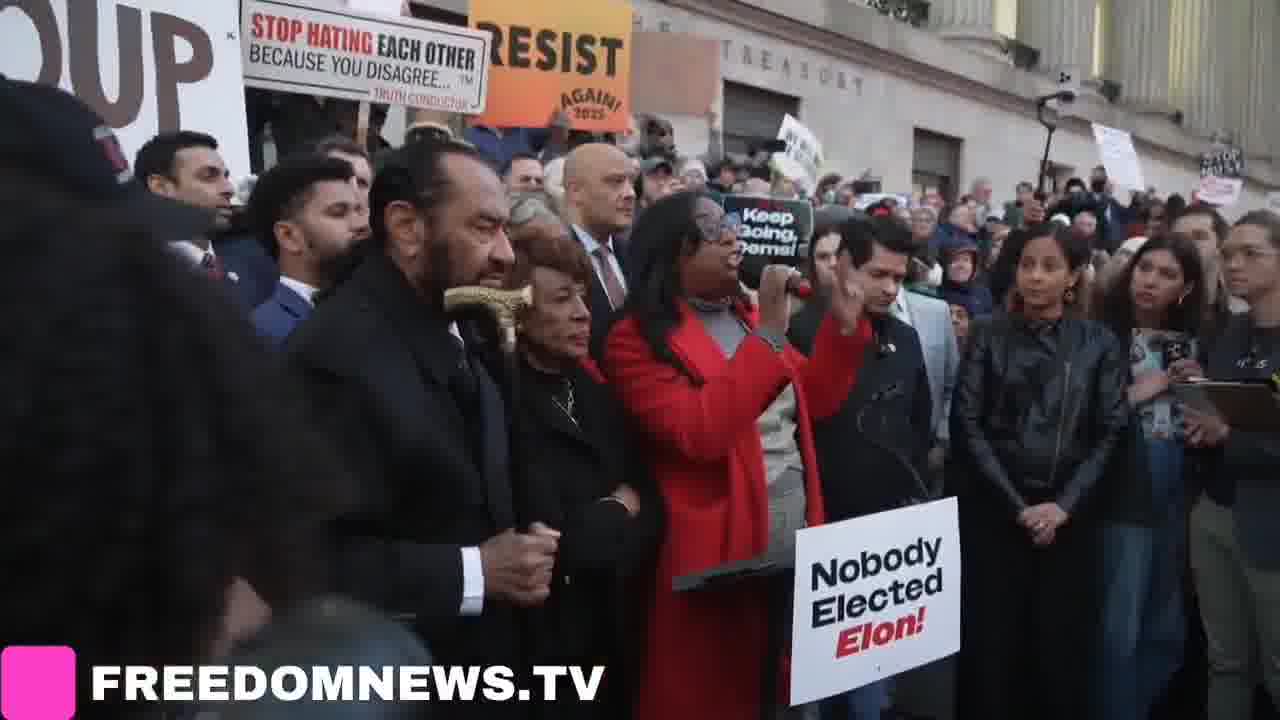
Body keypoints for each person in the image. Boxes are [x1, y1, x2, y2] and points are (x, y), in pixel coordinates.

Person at [286, 138, 557, 720]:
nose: (506, 254)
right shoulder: (334, 357)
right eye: (484, 227)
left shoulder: (461, 328)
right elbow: (305, 559)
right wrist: (476, 571)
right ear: (406, 227)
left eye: (505, 228)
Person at [603, 191, 872, 720]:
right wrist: (772, 333)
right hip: (717, 559)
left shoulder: (745, 316)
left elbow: (812, 401)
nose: (731, 236)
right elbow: (698, 432)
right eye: (710, 229)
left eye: (730, 223)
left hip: (792, 543)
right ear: (672, 252)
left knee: (779, 696)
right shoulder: (633, 340)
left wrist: (842, 330)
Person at [950, 222, 1129, 720]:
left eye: (1050, 267)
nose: (1036, 277)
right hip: (996, 515)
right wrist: (1019, 507)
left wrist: (1064, 507)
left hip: (1068, 522)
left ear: (1073, 276)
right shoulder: (988, 334)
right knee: (991, 650)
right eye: (1028, 264)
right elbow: (967, 423)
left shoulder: (1098, 343)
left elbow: (1110, 430)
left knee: (1056, 652)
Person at [505, 212, 664, 719]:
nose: (582, 313)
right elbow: (557, 541)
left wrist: (608, 519)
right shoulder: (502, 401)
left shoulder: (595, 391)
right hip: (543, 656)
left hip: (613, 633)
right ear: (518, 312)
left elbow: (651, 501)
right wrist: (618, 509)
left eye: (582, 296)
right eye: (560, 300)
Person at [793, 217, 934, 720]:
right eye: (878, 275)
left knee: (871, 690)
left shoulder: (906, 339)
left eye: (899, 278)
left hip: (882, 544)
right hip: (817, 534)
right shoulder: (802, 329)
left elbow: (921, 426)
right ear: (845, 265)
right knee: (814, 691)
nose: (890, 289)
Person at [1093, 234, 1206, 720]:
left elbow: (1209, 421)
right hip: (1122, 497)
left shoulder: (1196, 341)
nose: (1151, 281)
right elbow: (1085, 417)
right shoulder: (1099, 335)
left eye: (1167, 274)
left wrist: (1204, 396)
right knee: (1118, 632)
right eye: (1146, 268)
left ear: (1185, 289)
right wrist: (1153, 386)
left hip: (1178, 497)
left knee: (1165, 632)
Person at [1182, 210, 1280, 719]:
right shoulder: (1232, 333)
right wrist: (1198, 408)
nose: (1234, 264)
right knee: (1225, 664)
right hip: (1215, 514)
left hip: (1271, 527)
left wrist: (1229, 433)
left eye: (1251, 254)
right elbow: (1222, 409)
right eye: (1228, 255)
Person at [248, 154, 366, 347]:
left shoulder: (372, 311)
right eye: (338, 213)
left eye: (358, 211)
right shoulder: (265, 335)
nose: (361, 224)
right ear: (289, 236)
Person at [562, 143, 638, 359]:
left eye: (631, 182)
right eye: (615, 182)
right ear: (576, 191)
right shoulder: (551, 261)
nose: (630, 193)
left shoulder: (637, 256)